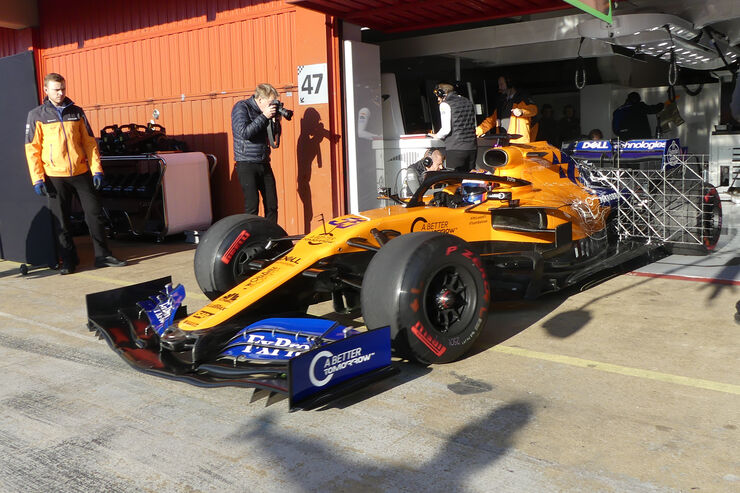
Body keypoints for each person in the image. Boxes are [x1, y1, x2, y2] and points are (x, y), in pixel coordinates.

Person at [24, 73, 126, 275]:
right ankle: (69, 261)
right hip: (54, 175)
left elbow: (89, 142)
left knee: (94, 214)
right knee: (62, 220)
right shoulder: (37, 115)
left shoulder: (76, 112)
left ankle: (102, 256)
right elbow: (32, 149)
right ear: (46, 91)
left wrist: (96, 170)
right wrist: (37, 178)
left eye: (63, 88)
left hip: (80, 172)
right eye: (56, 89)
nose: (61, 93)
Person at [232, 83, 283, 223]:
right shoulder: (241, 107)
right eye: (270, 102)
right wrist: (265, 116)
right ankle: (252, 237)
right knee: (252, 206)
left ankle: (271, 238)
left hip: (263, 161)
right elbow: (245, 132)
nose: (272, 105)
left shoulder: (265, 113)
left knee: (272, 204)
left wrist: (275, 121)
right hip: (246, 163)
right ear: (260, 99)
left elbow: (274, 138)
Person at [429, 83, 477, 172]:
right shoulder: (468, 101)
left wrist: (437, 136)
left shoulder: (445, 105)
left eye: (438, 96)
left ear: (442, 93)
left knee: (454, 181)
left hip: (456, 148)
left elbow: (446, 129)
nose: (438, 99)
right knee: (470, 180)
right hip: (472, 147)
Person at [476, 75, 538, 143]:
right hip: (502, 142)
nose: (499, 87)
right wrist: (477, 131)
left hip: (519, 143)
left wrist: (521, 111)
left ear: (509, 84)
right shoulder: (502, 102)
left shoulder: (522, 98)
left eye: (501, 84)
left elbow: (534, 110)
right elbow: (491, 121)